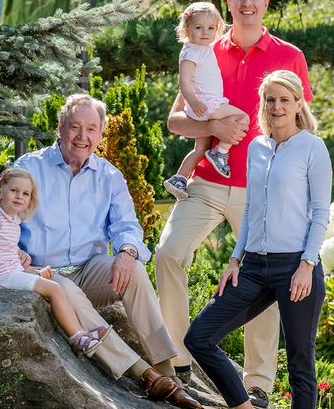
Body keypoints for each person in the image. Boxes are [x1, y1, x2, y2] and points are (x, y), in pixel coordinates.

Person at [155, 0, 313, 407]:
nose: (246, 3)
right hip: (207, 180)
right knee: (167, 254)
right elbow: (175, 120)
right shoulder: (205, 47)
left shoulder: (288, 55)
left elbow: (300, 125)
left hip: (261, 191)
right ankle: (179, 363)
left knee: (266, 282)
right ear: (228, 2)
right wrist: (212, 125)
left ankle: (258, 384)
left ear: (266, 1)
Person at [14, 94, 201, 409]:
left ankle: (168, 370)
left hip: (89, 270)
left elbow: (127, 226)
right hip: (43, 275)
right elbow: (1, 215)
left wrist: (127, 252)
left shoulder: (109, 176)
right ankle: (144, 375)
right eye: (74, 127)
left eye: (91, 129)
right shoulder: (30, 167)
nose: (82, 137)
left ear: (100, 134)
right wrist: (11, 250)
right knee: (67, 290)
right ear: (60, 128)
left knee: (136, 271)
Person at [185, 70, 332, 409]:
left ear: (298, 103)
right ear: (262, 104)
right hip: (252, 267)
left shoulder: (312, 147)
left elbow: (320, 212)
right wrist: (235, 260)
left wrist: (307, 265)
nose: (276, 106)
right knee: (199, 337)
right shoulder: (256, 147)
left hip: (295, 266)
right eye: (270, 100)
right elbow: (251, 208)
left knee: (300, 363)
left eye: (284, 100)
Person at [0, 168, 112, 357]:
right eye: (14, 191)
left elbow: (1, 245)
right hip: (3, 276)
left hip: (13, 270)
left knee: (51, 279)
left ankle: (81, 330)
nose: (19, 196)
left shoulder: (11, 219)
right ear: (0, 193)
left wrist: (24, 259)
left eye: (25, 193)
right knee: (55, 289)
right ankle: (77, 338)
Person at [163, 1, 250, 199]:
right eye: (199, 28)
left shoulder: (202, 48)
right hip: (207, 105)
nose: (205, 32)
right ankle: (221, 152)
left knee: (200, 148)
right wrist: (194, 103)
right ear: (187, 29)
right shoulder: (192, 52)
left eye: (211, 28)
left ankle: (179, 178)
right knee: (243, 117)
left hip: (205, 105)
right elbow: (183, 82)